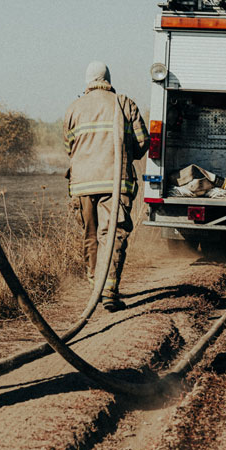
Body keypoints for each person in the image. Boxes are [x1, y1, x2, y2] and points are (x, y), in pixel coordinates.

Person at [64, 62, 148, 311]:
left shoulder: (74, 108)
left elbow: (69, 147)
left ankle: (95, 287)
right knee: (111, 235)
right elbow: (142, 143)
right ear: (108, 79)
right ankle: (109, 290)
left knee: (90, 235)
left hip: (82, 184)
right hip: (115, 182)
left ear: (88, 81)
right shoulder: (124, 104)